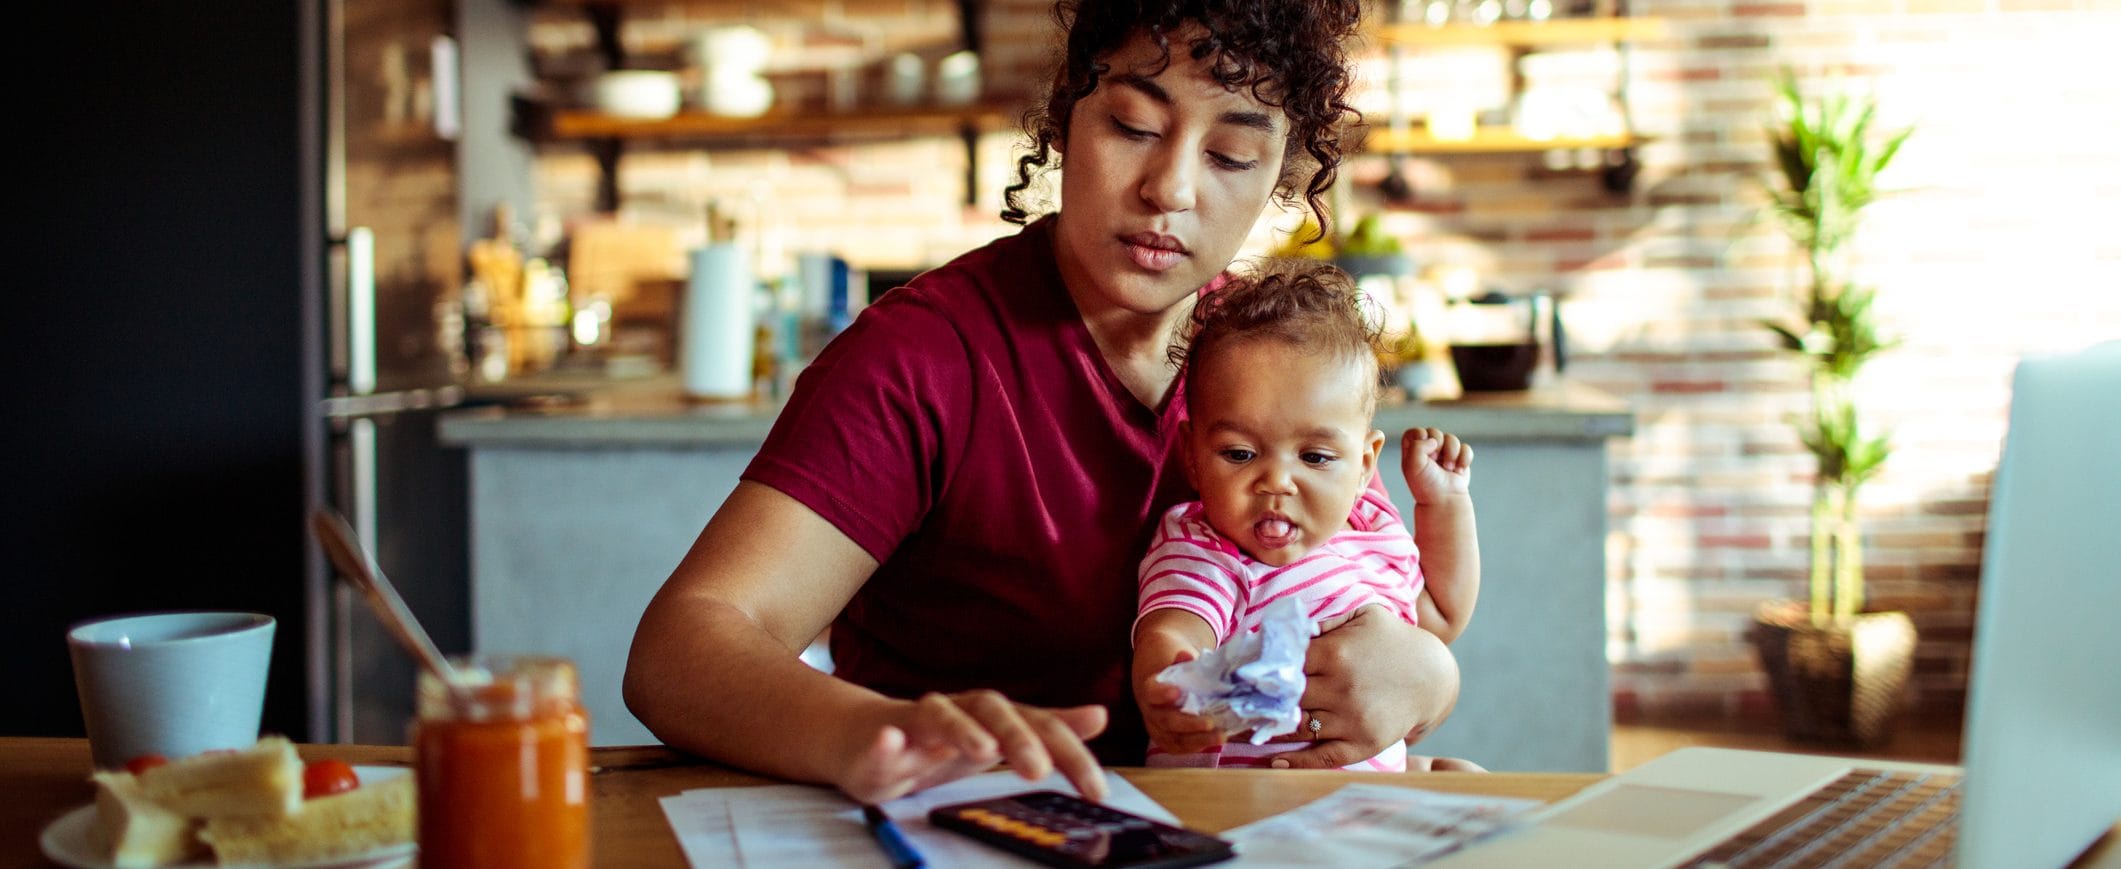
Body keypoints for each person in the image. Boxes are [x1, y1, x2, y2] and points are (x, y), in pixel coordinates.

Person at [624, 0, 1467, 807]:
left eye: (1230, 157)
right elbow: (680, 652)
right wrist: (878, 732)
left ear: (1278, 177)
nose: (1169, 188)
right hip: (968, 820)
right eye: (1134, 127)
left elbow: (1374, 593)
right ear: (1068, 118)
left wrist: (1427, 678)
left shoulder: (1283, 365)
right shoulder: (923, 357)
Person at [1131, 259, 1479, 771]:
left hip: (1357, 799)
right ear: (1192, 456)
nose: (1277, 482)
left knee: (1464, 779)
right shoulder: (1206, 547)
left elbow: (1441, 618)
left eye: (1314, 458)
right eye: (1240, 454)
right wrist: (1168, 678)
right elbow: (1176, 627)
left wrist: (1443, 505)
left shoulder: (1370, 531)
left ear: (1363, 465)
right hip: (1246, 801)